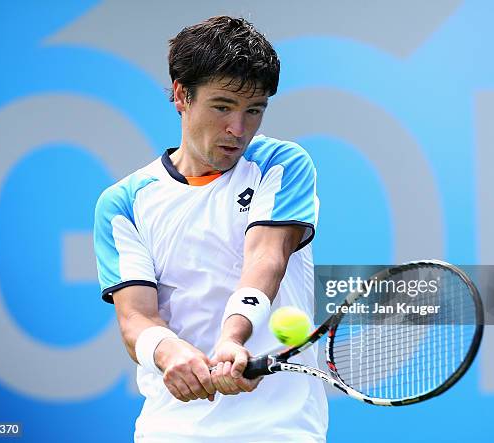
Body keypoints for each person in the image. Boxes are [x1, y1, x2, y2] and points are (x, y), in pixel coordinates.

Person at [93, 15, 327, 443]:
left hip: (280, 430)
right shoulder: (123, 203)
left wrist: (232, 336)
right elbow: (136, 319)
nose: (238, 130)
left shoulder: (281, 164)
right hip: (170, 431)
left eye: (253, 111)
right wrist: (167, 351)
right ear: (182, 95)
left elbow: (266, 257)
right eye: (222, 106)